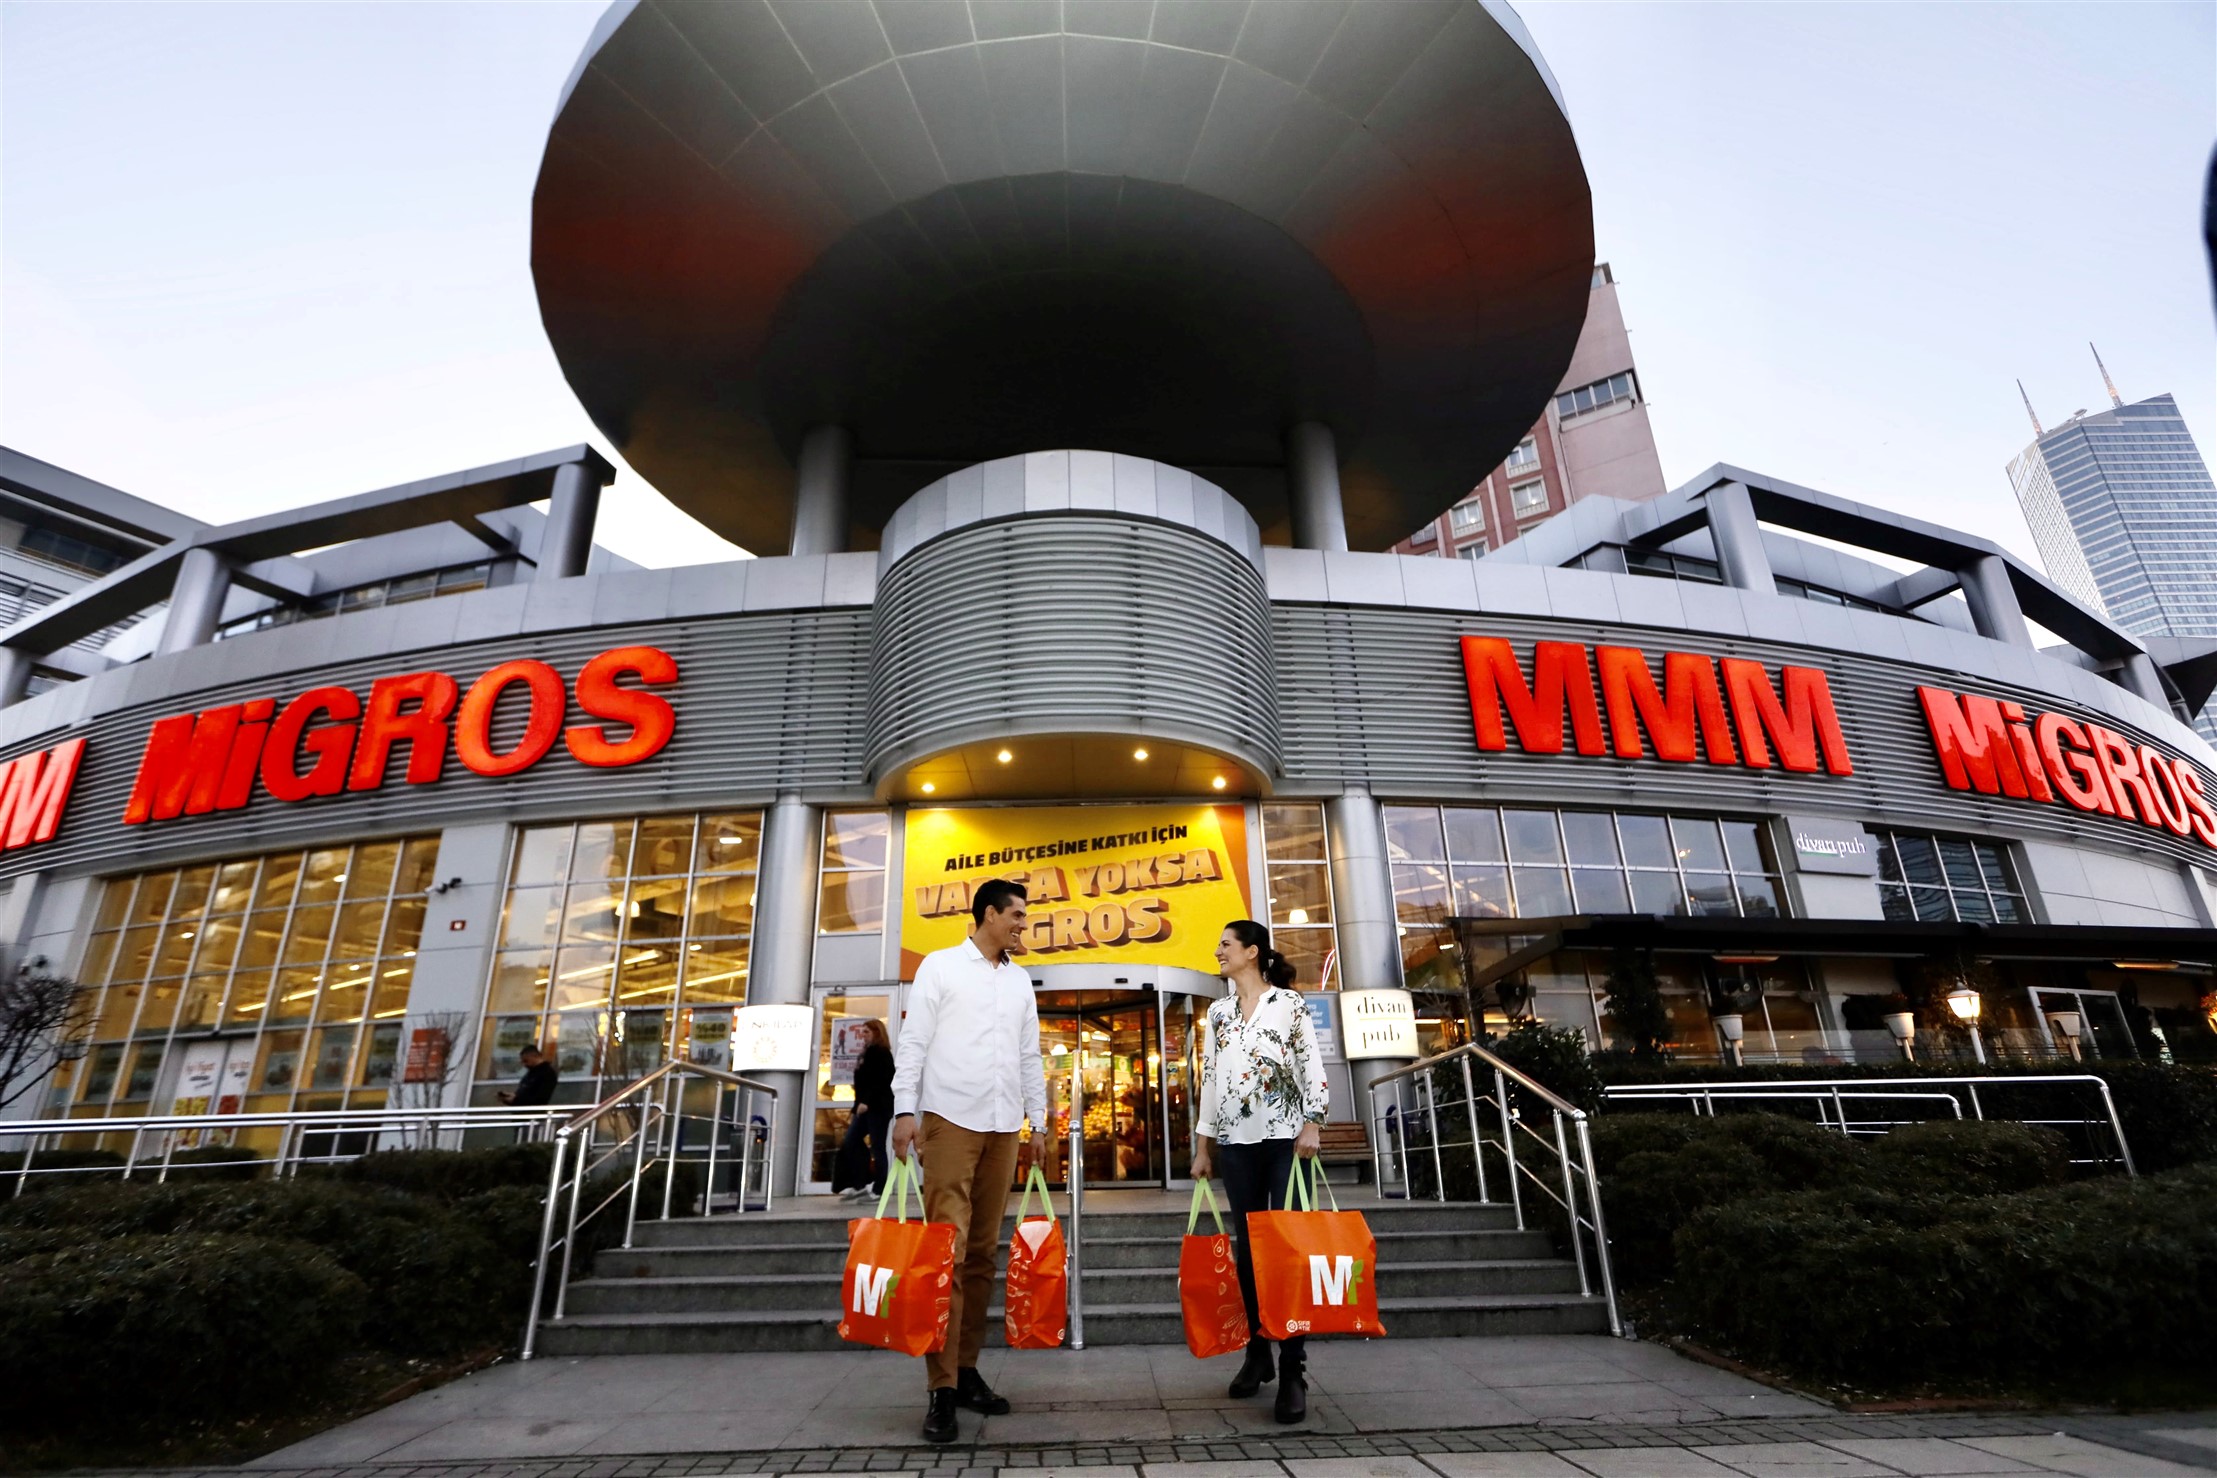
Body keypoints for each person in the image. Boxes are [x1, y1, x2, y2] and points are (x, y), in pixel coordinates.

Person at [889, 878, 1048, 1443]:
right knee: (947, 1255)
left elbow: (1029, 1054)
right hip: (950, 1119)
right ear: (989, 915)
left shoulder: (1020, 980)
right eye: (1017, 914)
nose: (1024, 924)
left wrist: (1039, 1121)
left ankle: (967, 1367)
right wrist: (904, 1110)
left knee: (981, 1255)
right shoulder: (940, 966)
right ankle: (941, 1388)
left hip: (1004, 1126)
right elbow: (913, 1042)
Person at [1190, 920, 1330, 1425]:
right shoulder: (1218, 1013)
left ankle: (1293, 1368)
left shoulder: (1288, 1004)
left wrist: (1313, 1121)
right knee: (1248, 1255)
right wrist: (1203, 1146)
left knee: (1288, 1253)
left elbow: (1310, 1063)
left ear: (1252, 952)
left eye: (1225, 944)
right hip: (1235, 1144)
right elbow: (1210, 1078)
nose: (1218, 950)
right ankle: (1257, 1352)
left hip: (1285, 1141)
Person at [833, 1019, 895, 1200]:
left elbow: (881, 1080)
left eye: (867, 1032)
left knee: (877, 1146)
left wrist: (866, 1102)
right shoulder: (866, 1053)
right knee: (851, 1141)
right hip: (864, 1107)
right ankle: (860, 1183)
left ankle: (879, 1189)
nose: (863, 1036)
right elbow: (863, 1082)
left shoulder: (881, 1053)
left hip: (877, 1107)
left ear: (877, 1033)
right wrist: (858, 1104)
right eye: (862, 1032)